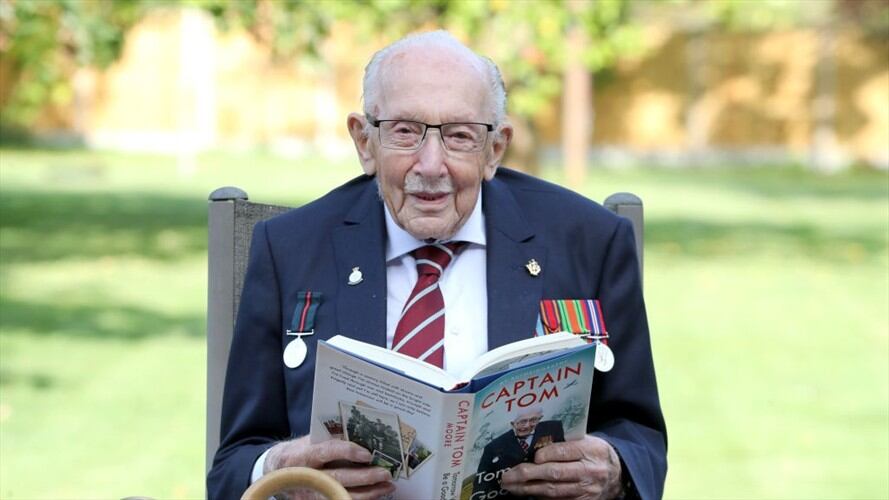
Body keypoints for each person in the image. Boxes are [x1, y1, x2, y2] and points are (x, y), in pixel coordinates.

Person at [207, 30, 666, 500]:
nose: (431, 165)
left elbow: (641, 440)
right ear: (365, 141)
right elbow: (230, 467)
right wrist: (282, 471)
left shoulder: (589, 242)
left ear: (495, 150)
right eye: (405, 131)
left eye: (459, 136)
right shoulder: (289, 250)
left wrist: (613, 468)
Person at [475, 408, 565, 497]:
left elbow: (564, 459)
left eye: (533, 420)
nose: (527, 426)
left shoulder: (553, 427)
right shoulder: (493, 447)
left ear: (539, 418)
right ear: (512, 424)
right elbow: (481, 483)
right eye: (522, 421)